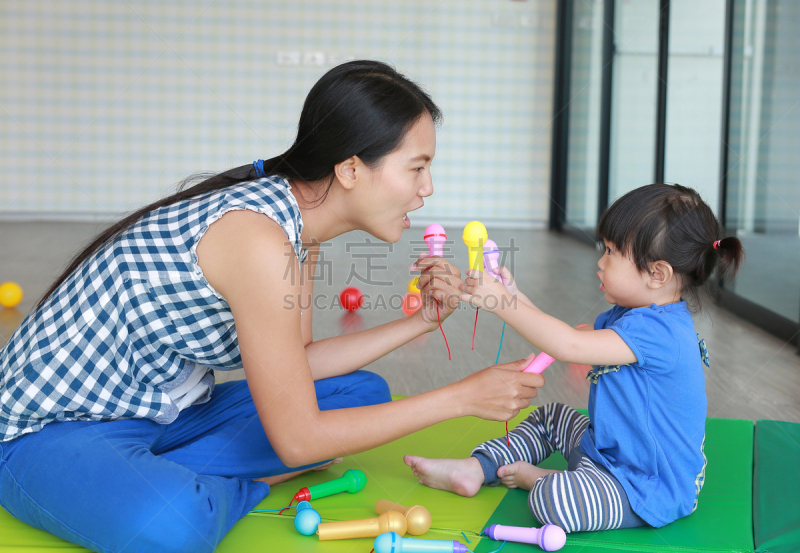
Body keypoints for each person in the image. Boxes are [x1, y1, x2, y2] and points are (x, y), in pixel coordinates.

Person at [0, 60, 544, 553]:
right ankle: (214, 486)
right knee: (174, 525)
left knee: (361, 394)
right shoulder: (259, 239)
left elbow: (296, 366)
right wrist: (459, 398)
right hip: (52, 431)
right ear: (352, 170)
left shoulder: (294, 229)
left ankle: (147, 473)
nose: (428, 188)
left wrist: (420, 322)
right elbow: (298, 435)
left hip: (162, 417)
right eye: (417, 167)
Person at [405, 184, 744, 532]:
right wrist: (513, 296)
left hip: (645, 488)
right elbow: (569, 340)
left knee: (551, 501)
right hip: (605, 452)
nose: (600, 262)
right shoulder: (632, 315)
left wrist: (501, 303)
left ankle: (541, 479)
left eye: (611, 252)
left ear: (657, 274)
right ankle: (476, 469)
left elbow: (568, 346)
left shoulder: (662, 333)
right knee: (550, 416)